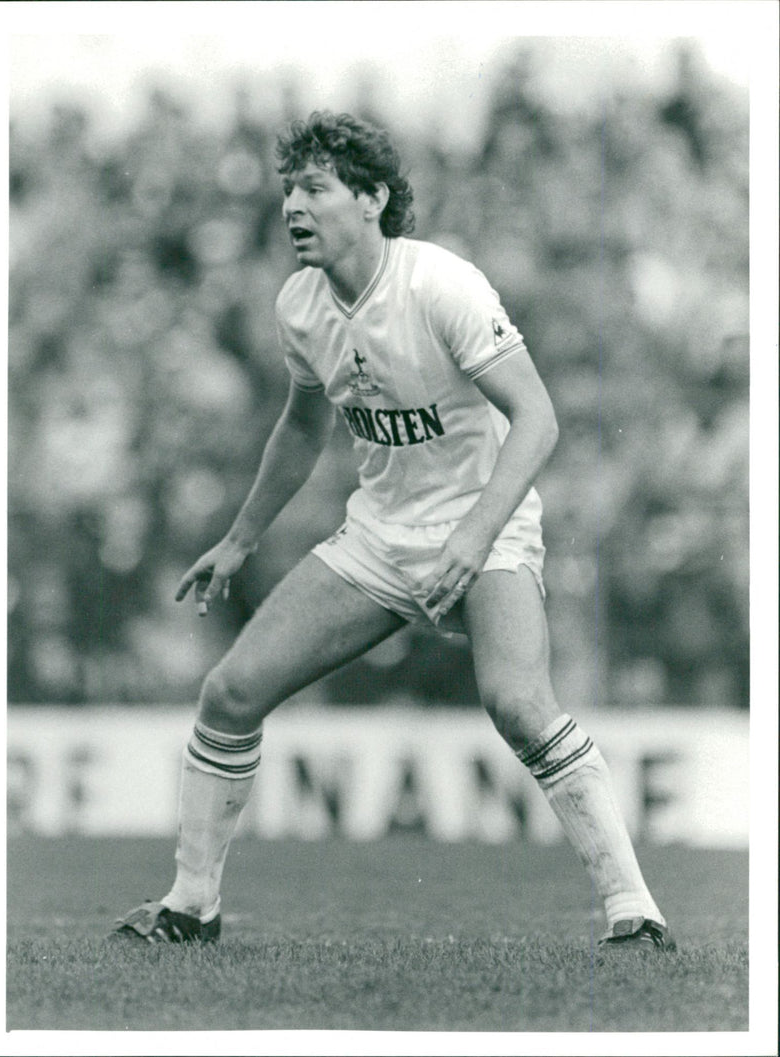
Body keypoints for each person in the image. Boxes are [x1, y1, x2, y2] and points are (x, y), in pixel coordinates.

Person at [112, 110, 674, 950]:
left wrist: (475, 539)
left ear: (373, 198)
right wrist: (239, 539)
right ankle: (192, 906)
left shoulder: (439, 284)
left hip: (486, 520)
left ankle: (635, 911)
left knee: (519, 705)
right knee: (229, 694)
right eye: (288, 190)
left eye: (315, 188)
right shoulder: (300, 304)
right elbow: (301, 429)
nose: (293, 207)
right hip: (379, 535)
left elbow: (538, 418)